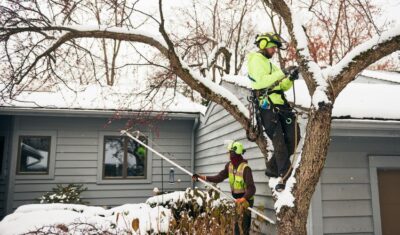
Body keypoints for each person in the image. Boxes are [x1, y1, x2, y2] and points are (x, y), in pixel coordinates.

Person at [247, 32, 300, 192]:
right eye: (272, 47)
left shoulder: (271, 65)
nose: (274, 50)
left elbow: (282, 86)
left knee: (294, 138)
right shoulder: (255, 59)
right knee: (279, 143)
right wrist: (283, 72)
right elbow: (261, 82)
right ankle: (285, 175)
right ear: (263, 44)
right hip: (267, 106)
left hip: (281, 104)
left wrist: (290, 78)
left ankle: (272, 168)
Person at [192, 141, 256, 235]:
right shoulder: (229, 166)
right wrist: (203, 177)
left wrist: (243, 199)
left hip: (246, 201)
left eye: (229, 152)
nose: (228, 155)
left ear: (234, 153)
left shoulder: (245, 168)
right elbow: (219, 177)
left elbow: (251, 189)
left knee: (244, 228)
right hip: (237, 200)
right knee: (237, 227)